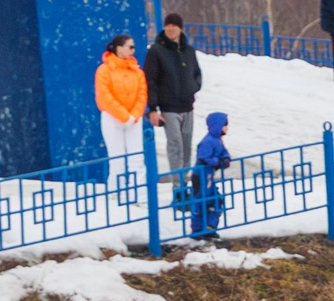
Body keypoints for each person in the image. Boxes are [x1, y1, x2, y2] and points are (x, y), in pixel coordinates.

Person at [143, 13, 203, 185]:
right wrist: (153, 108)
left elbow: (197, 74)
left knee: (186, 146)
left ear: (180, 29)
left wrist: (193, 87)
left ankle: (185, 181)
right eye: (167, 25)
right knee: (175, 146)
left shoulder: (188, 51)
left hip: (188, 107)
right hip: (169, 108)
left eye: (174, 25)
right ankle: (178, 188)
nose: (170, 28)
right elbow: (150, 80)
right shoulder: (156, 51)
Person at [94, 33, 149, 194]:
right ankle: (116, 192)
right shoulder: (104, 70)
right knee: (117, 158)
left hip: (133, 119)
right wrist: (124, 116)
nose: (133, 50)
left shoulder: (137, 72)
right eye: (130, 47)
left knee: (136, 158)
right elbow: (105, 96)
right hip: (112, 118)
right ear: (119, 48)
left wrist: (134, 115)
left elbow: (142, 94)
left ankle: (139, 193)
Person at [187, 111, 232, 240]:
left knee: (215, 201)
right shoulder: (208, 141)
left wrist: (225, 159)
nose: (226, 128)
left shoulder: (217, 141)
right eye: (225, 125)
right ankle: (197, 230)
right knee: (200, 202)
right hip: (200, 176)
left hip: (209, 176)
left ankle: (210, 227)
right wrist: (217, 162)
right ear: (218, 125)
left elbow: (224, 153)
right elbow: (203, 157)